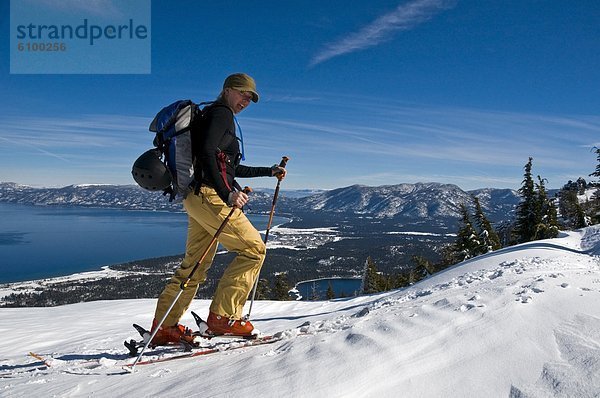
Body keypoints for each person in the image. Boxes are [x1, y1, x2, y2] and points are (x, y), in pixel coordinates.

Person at [150, 73, 286, 345]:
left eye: (250, 98)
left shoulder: (212, 116)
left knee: (194, 266)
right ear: (227, 91)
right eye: (243, 94)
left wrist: (269, 171)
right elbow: (210, 152)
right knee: (253, 250)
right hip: (210, 196)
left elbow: (230, 166)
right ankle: (224, 317)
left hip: (195, 197)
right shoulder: (222, 114)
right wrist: (227, 193)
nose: (246, 101)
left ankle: (165, 326)